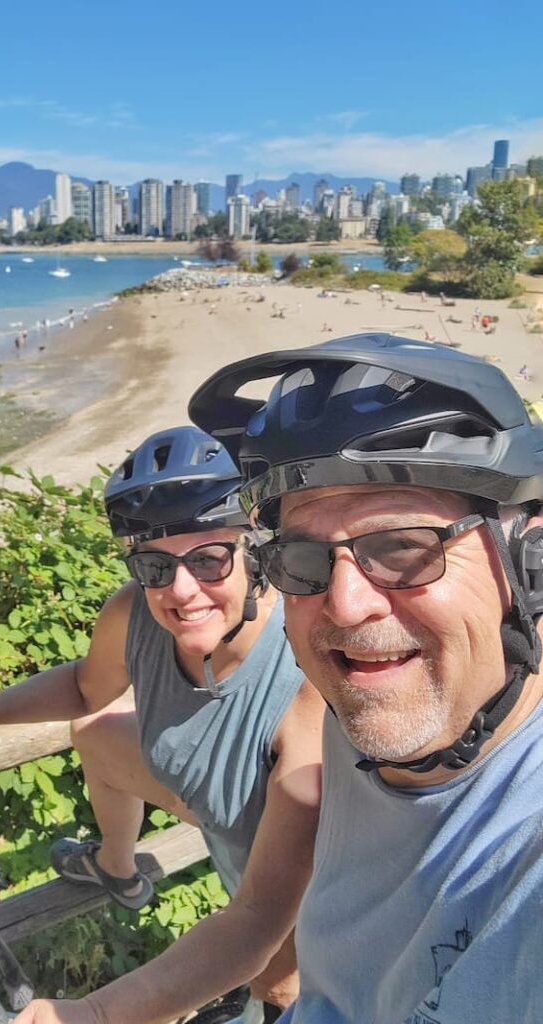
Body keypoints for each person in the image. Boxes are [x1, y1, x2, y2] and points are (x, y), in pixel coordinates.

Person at [0, 426, 323, 1024]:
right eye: (154, 565)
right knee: (99, 733)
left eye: (208, 559)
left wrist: (95, 1014)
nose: (181, 591)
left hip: (300, 884)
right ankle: (117, 870)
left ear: (256, 552)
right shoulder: (136, 614)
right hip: (226, 814)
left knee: (277, 992)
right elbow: (85, 689)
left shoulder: (305, 675)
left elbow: (257, 924)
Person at [188, 333, 543, 1023]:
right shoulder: (362, 700)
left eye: (404, 547)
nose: (346, 606)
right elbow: (262, 911)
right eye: (302, 559)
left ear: (529, 564)